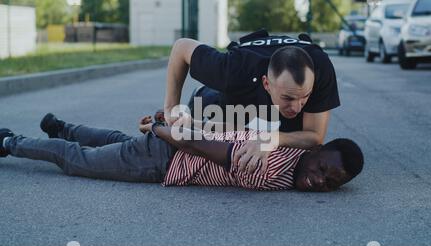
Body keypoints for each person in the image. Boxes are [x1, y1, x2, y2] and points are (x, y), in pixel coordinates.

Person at [0, 113, 364, 192]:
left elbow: (230, 129)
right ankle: (10, 142)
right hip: (169, 156)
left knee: (114, 140)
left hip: (172, 144)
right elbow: (201, 146)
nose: (319, 180)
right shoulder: (271, 166)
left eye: (331, 183)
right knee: (80, 160)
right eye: (323, 168)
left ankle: (62, 127)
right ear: (317, 151)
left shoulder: (284, 143)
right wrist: (162, 130)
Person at [164, 29, 341, 174]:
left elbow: (314, 136)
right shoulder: (232, 69)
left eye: (305, 97)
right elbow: (182, 47)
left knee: (292, 137)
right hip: (232, 100)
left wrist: (271, 139)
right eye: (288, 98)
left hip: (270, 107)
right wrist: (171, 109)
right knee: (216, 133)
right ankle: (204, 97)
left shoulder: (320, 69)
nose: (297, 106)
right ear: (267, 83)